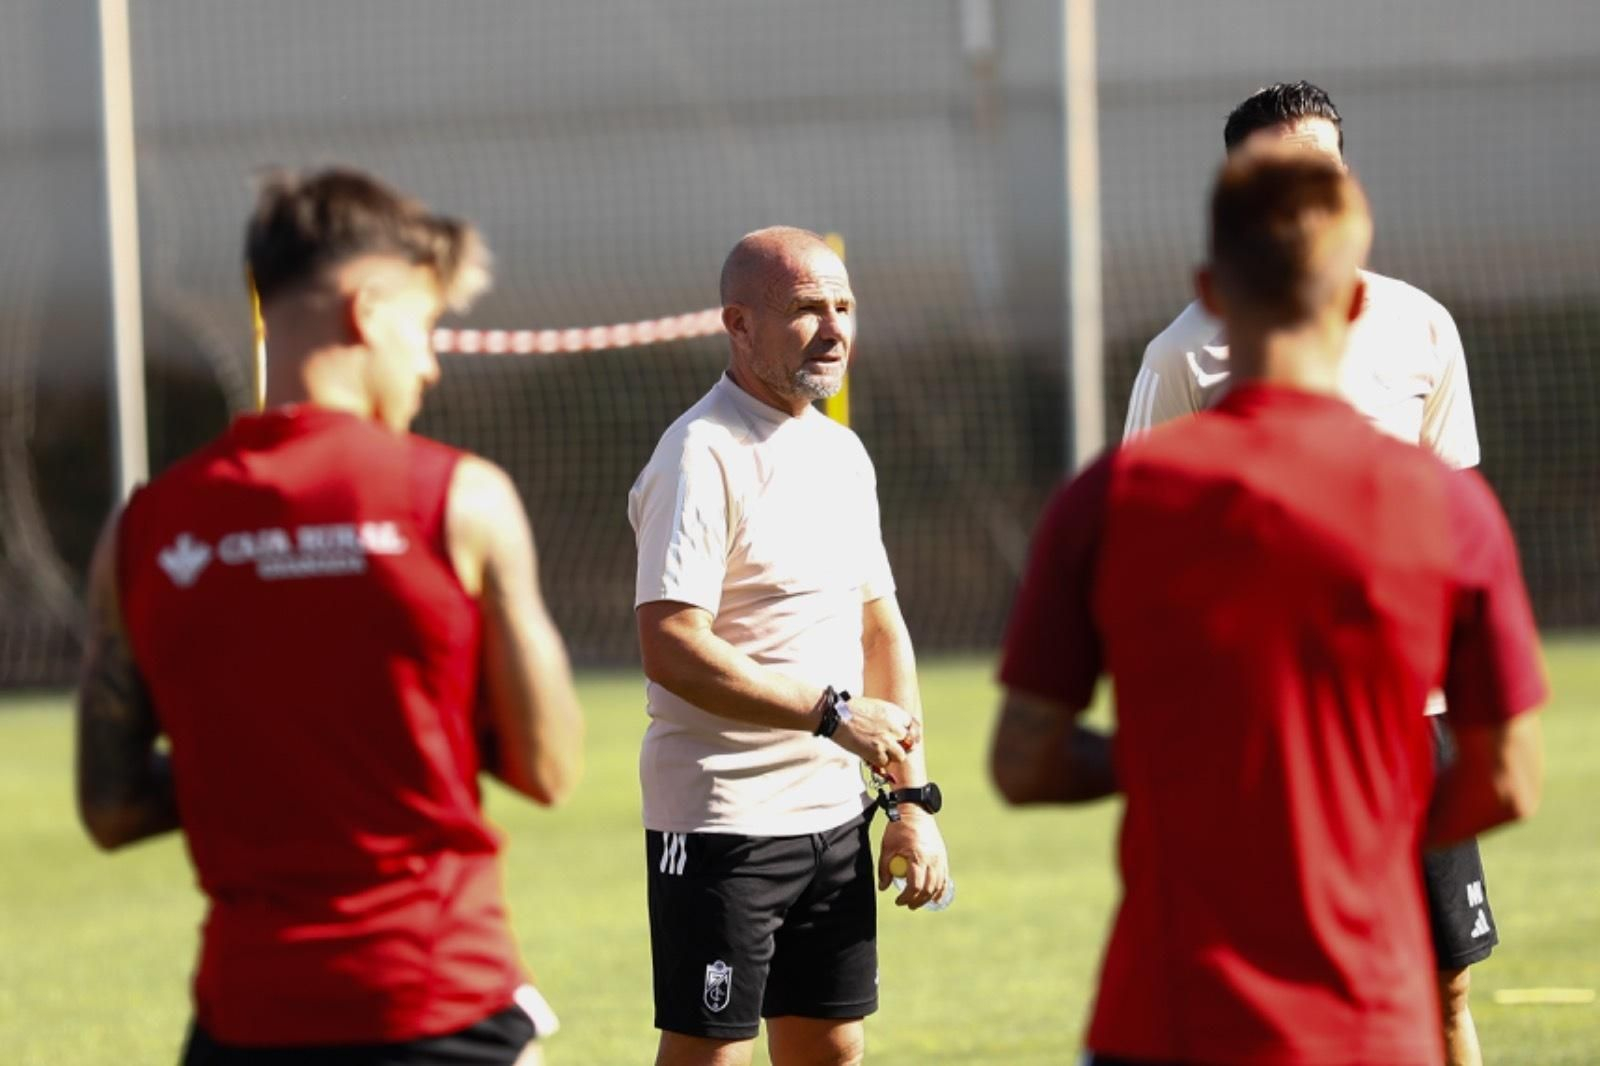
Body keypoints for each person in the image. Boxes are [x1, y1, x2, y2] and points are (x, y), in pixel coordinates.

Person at [992, 152, 1545, 1065]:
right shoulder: (1445, 509)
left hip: (1165, 1019)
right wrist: (1358, 803)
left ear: (1208, 288)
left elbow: (1022, 760)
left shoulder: (1111, 500)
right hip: (1370, 1025)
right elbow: (1513, 778)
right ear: (1357, 301)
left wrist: (1179, 769)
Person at [75, 168, 584, 1066]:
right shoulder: (461, 499)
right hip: (438, 1007)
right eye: (425, 329)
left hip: (243, 1022)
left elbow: (111, 807)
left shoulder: (143, 529)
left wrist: (270, 763)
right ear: (366, 311)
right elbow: (549, 766)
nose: (428, 363)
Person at [1122, 80, 1497, 1066]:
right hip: (1258, 731)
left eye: (1323, 170)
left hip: (1407, 719)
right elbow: (1142, 540)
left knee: (1442, 974)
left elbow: (1454, 518)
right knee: (1271, 992)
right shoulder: (1183, 357)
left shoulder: (1422, 327)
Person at [628, 226, 951, 1066]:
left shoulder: (841, 451)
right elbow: (671, 644)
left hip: (833, 818)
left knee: (834, 1045)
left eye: (845, 307)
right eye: (808, 310)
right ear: (739, 323)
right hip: (723, 823)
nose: (836, 329)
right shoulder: (699, 454)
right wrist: (829, 715)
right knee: (711, 1055)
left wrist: (911, 804)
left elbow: (880, 631)